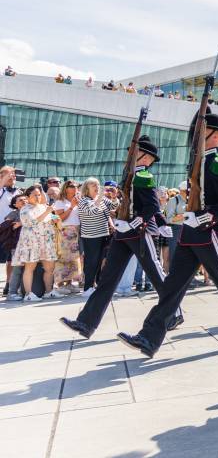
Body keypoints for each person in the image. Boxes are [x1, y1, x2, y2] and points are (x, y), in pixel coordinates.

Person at [116, 115, 218, 357]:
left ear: (214, 135)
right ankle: (149, 337)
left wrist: (205, 217)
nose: (193, 136)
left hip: (210, 231)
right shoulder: (198, 162)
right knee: (173, 286)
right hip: (190, 232)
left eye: (199, 132)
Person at [60, 137, 182, 339]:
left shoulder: (143, 176)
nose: (129, 155)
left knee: (155, 273)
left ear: (146, 157)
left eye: (134, 152)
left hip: (137, 232)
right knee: (107, 279)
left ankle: (174, 313)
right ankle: (86, 322)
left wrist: (138, 224)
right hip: (122, 232)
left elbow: (151, 206)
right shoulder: (130, 175)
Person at [12, 185, 59, 300]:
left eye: (39, 194)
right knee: (30, 267)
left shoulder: (43, 207)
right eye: (35, 195)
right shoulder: (25, 209)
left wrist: (55, 217)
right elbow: (33, 222)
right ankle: (29, 294)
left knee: (49, 268)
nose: (38, 197)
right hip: (31, 243)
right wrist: (47, 211)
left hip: (45, 242)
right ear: (28, 197)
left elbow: (51, 218)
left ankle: (49, 291)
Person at [77, 177, 117, 294]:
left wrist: (114, 197)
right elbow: (93, 211)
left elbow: (114, 207)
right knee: (91, 262)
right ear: (86, 188)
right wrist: (100, 197)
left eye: (98, 185)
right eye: (93, 185)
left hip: (103, 234)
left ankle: (95, 286)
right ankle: (87, 288)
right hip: (91, 236)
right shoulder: (84, 201)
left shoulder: (103, 199)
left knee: (99, 261)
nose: (97, 187)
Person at [51, 180, 83, 295]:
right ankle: (60, 284)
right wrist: (71, 207)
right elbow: (59, 218)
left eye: (76, 186)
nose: (75, 188)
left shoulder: (78, 200)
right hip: (65, 231)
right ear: (65, 188)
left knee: (74, 259)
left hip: (76, 231)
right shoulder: (60, 202)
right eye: (72, 186)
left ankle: (69, 283)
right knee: (63, 258)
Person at [2, 192, 27, 299]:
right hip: (16, 245)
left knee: (26, 269)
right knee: (17, 268)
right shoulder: (13, 213)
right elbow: (7, 226)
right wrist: (20, 223)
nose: (24, 201)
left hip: (29, 244)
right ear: (15, 204)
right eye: (20, 200)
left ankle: (23, 291)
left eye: (25, 199)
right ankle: (12, 292)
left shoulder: (30, 211)